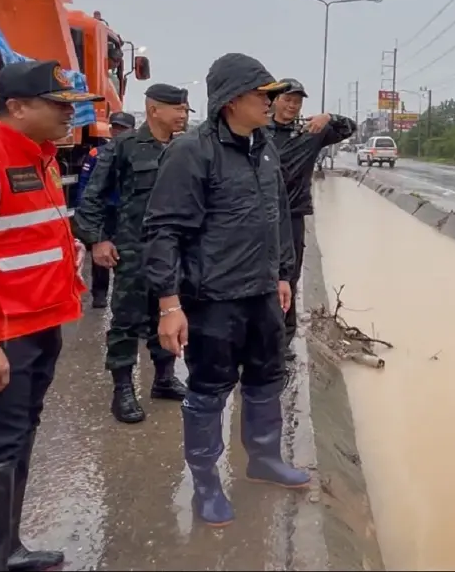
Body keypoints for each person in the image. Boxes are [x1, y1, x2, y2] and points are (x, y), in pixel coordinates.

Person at [143, 53, 306, 528]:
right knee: (210, 389)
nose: (272, 103)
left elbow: (277, 217)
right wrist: (169, 304)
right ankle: (206, 483)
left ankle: (263, 458)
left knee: (266, 378)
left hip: (260, 293)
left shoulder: (265, 148)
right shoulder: (192, 151)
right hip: (211, 297)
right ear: (233, 100)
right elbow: (163, 231)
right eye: (264, 95)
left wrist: (281, 275)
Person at [0, 60, 100, 572]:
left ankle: (7, 544)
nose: (69, 115)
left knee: (22, 431)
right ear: (16, 107)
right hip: (5, 332)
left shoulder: (43, 156)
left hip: (40, 322)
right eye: (58, 106)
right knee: (0, 441)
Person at [72, 85, 191, 424]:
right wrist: (98, 240)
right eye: (175, 108)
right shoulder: (123, 148)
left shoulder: (186, 148)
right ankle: (122, 389)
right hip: (134, 248)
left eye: (184, 109)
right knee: (126, 319)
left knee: (166, 314)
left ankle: (164, 378)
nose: (182, 115)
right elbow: (92, 197)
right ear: (153, 109)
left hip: (174, 250)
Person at [266, 79, 356, 361]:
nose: (293, 106)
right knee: (257, 279)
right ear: (274, 100)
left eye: (298, 101)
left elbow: (349, 128)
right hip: (258, 217)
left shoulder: (309, 131)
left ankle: (282, 342)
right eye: (287, 99)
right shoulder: (258, 131)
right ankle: (257, 338)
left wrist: (328, 117)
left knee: (288, 278)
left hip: (292, 215)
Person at [75, 111, 135, 309]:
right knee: (100, 255)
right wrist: (84, 213)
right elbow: (84, 185)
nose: (118, 131)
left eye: (123, 128)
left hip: (128, 214)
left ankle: (125, 299)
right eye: (115, 127)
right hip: (104, 214)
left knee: (127, 258)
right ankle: (99, 296)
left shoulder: (137, 154)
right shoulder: (96, 154)